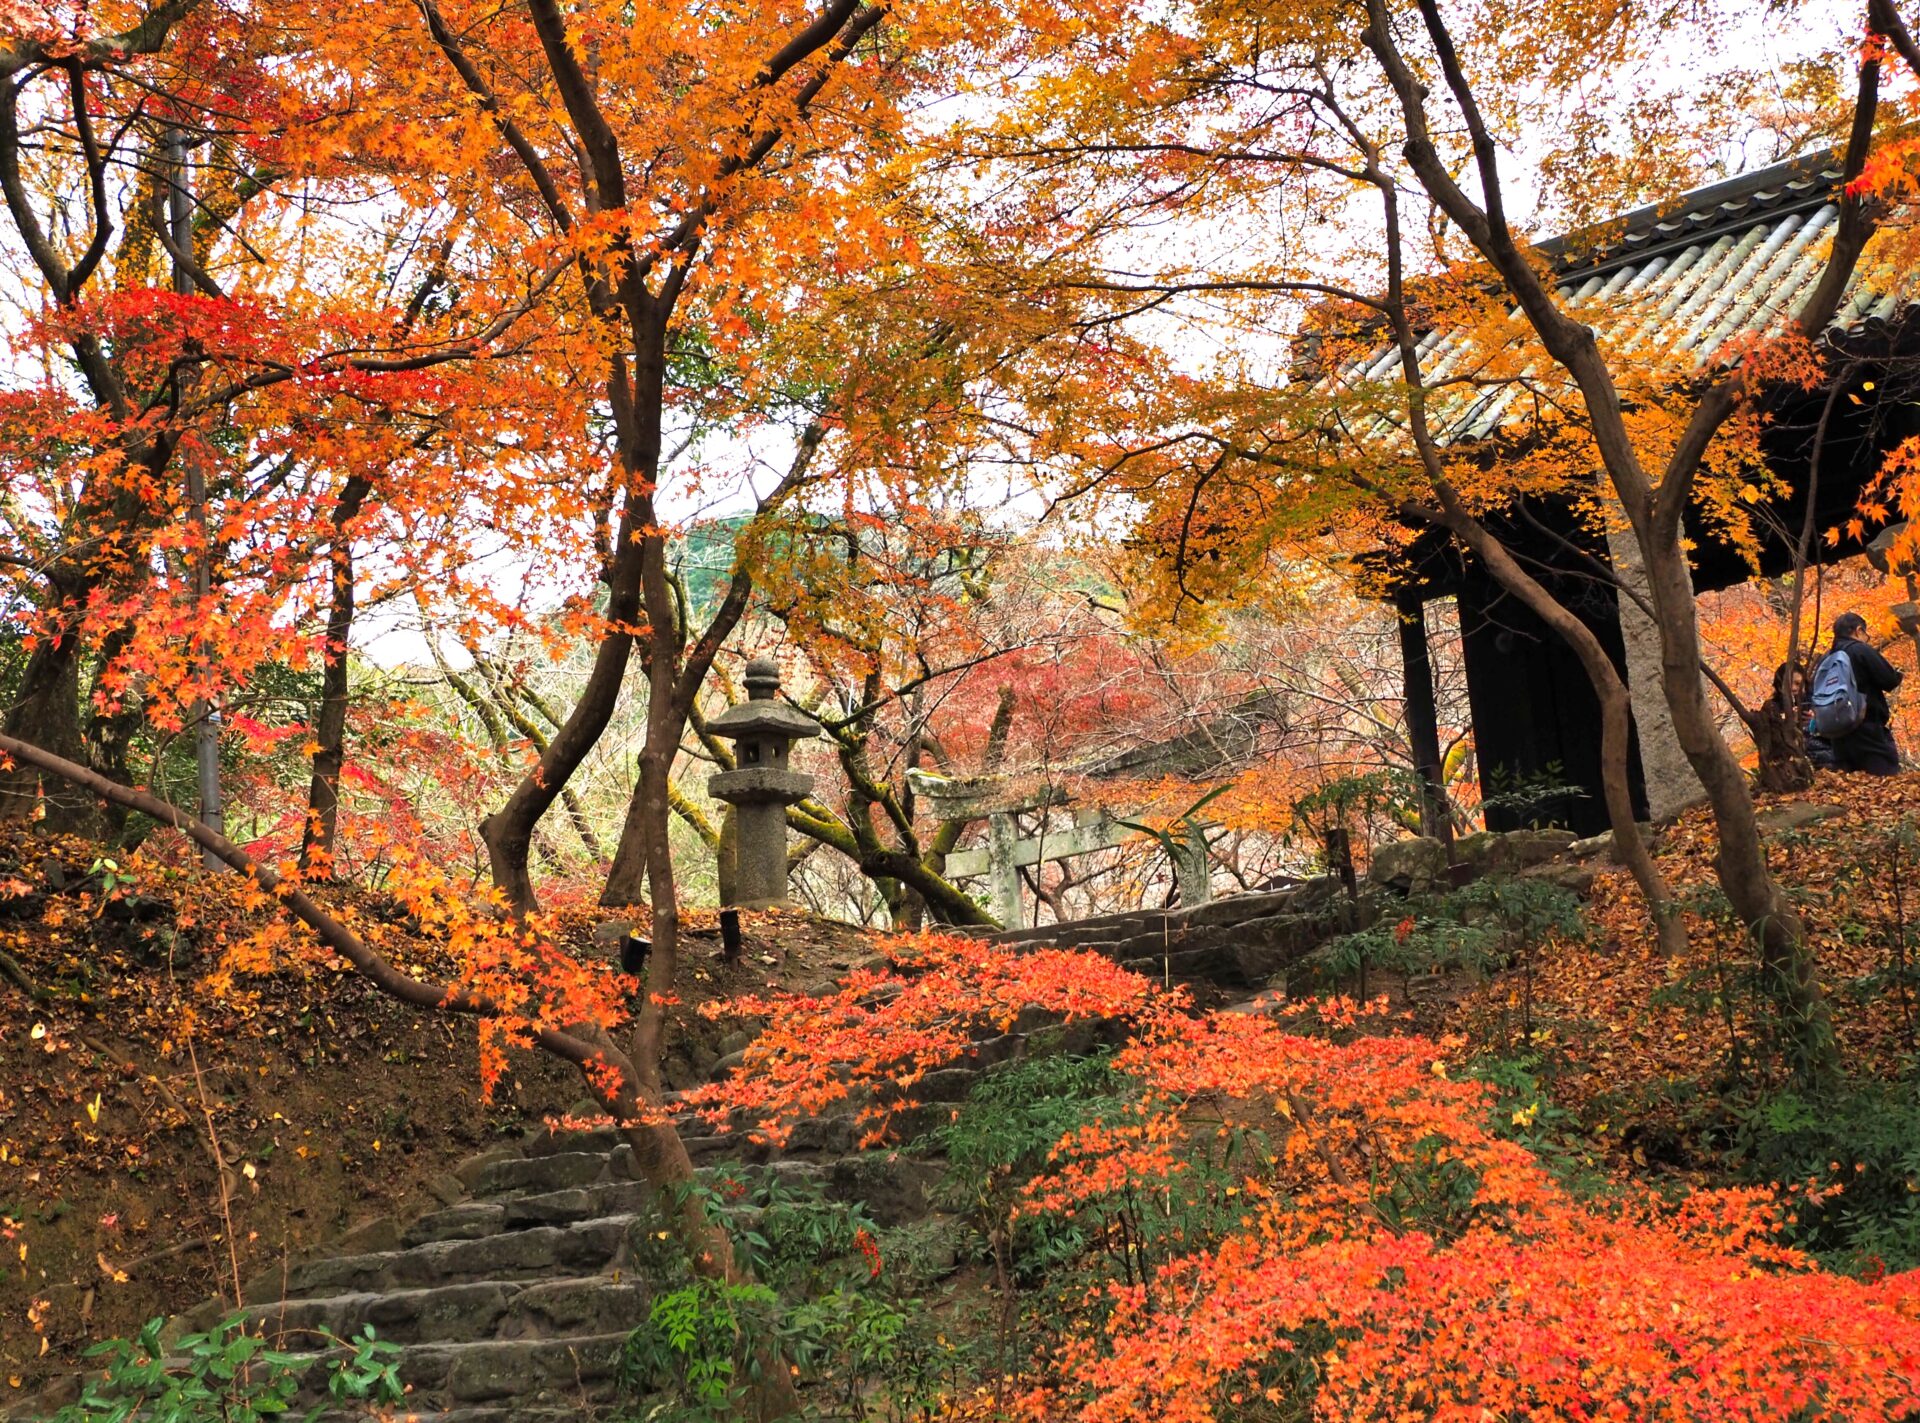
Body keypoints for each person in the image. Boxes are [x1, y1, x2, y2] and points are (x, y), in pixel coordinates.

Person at [1818, 612, 1905, 775]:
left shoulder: (1825, 659)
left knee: (1848, 782)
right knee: (1884, 778)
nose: (1867, 639)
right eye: (1866, 634)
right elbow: (1889, 680)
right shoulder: (1859, 650)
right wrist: (1899, 673)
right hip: (1866, 726)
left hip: (1836, 732)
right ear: (1858, 631)